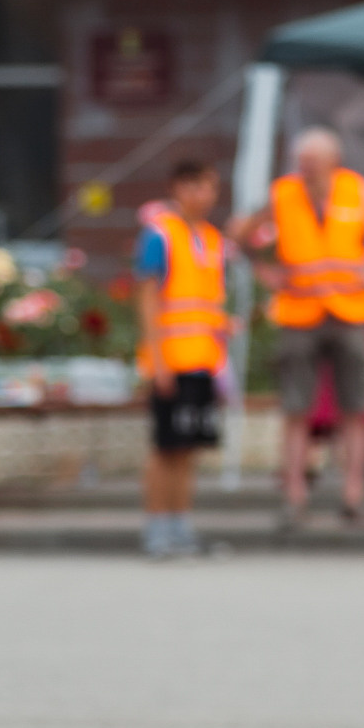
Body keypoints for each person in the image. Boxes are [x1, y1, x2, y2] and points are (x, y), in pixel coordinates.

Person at [229, 128, 364, 529]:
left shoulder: (359, 191)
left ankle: (354, 496)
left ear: (333, 160)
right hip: (299, 312)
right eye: (302, 162)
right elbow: (241, 233)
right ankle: (294, 497)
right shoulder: (283, 194)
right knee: (296, 410)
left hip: (350, 309)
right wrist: (267, 271)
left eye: (313, 162)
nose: (307, 169)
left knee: (356, 410)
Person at [134, 159, 235, 558]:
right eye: (195, 187)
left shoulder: (212, 239)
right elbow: (147, 299)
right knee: (165, 447)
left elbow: (207, 301)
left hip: (203, 359)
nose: (204, 196)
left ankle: (181, 525)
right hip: (171, 360)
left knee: (189, 446)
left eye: (209, 187)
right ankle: (157, 528)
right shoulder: (160, 235)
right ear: (177, 188)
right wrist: (157, 361)